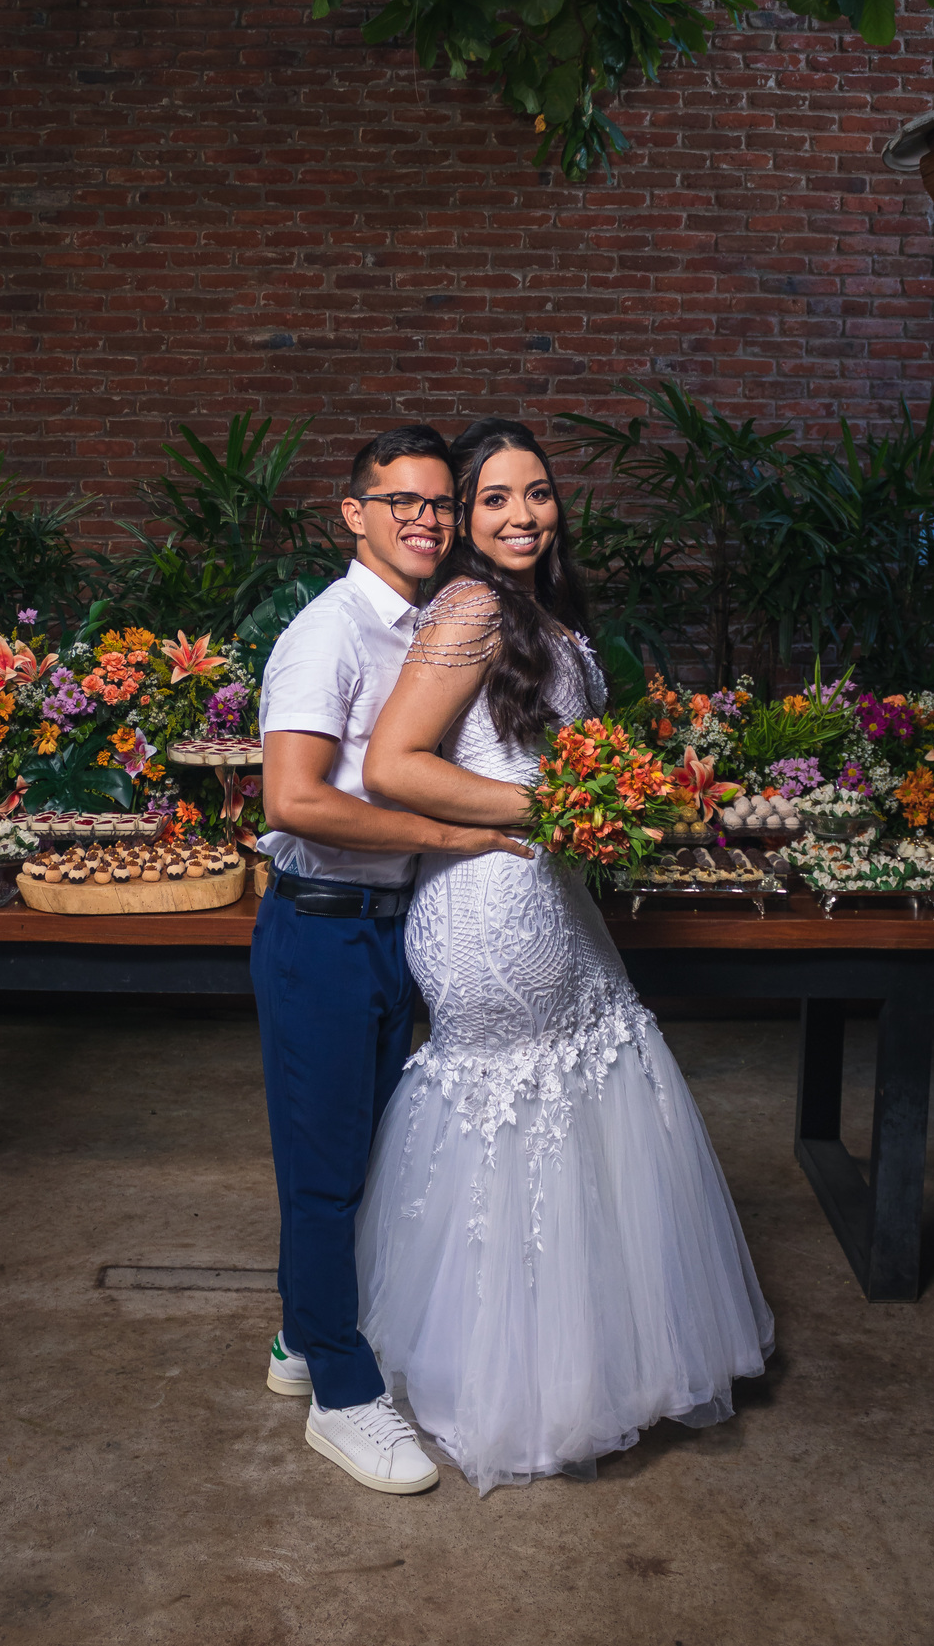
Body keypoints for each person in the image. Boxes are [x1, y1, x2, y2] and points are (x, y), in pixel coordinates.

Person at [357, 416, 775, 1496]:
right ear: (463, 517)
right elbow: (394, 764)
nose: (522, 514)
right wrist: (549, 805)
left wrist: (600, 802)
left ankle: (588, 1369)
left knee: (586, 1099)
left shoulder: (538, 610)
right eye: (494, 497)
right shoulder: (469, 607)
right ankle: (507, 1388)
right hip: (494, 904)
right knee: (521, 1116)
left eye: (537, 492)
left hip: (555, 895)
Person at [251, 423, 532, 1496]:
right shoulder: (328, 632)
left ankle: (300, 1335)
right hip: (321, 927)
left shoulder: (432, 624)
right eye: (401, 500)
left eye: (440, 503)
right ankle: (342, 1394)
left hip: (389, 926)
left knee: (369, 1159)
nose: (426, 518)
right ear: (354, 514)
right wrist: (450, 834)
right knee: (324, 1177)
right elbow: (294, 800)